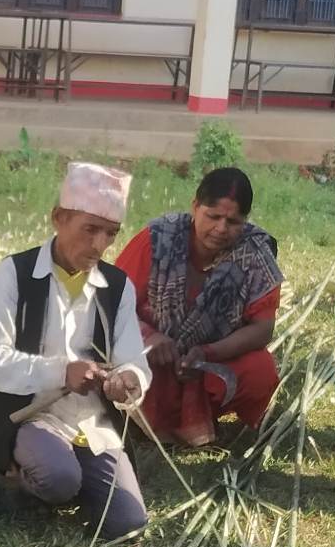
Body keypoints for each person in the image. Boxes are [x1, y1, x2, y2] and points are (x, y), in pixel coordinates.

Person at [0, 162, 152, 541]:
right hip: (30, 415)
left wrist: (129, 380)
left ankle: (73, 477)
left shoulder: (118, 287)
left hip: (92, 423)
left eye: (111, 234)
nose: (99, 245)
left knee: (128, 524)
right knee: (59, 479)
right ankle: (18, 479)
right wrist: (61, 372)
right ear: (59, 218)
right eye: (90, 229)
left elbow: (134, 359)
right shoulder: (15, 274)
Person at [115, 167, 283, 448]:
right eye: (213, 216)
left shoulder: (254, 253)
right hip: (149, 356)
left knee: (260, 370)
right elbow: (112, 303)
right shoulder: (158, 238)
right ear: (195, 206)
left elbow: (263, 329)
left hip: (208, 362)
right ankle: (144, 417)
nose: (220, 229)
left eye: (233, 221)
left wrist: (207, 352)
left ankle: (202, 414)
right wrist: (150, 338)